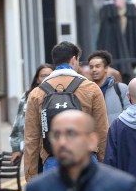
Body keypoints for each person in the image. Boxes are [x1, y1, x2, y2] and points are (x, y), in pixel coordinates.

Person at [23, 42, 109, 181]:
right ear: (74, 60)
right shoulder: (91, 89)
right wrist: (104, 165)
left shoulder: (36, 93)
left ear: (54, 61)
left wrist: (31, 177)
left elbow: (31, 139)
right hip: (86, 159)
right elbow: (102, 131)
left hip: (52, 161)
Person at [9, 65, 54, 166]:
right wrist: (16, 149)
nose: (47, 78)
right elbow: (18, 125)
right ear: (37, 79)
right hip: (34, 150)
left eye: (50, 75)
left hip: (53, 150)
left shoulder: (61, 96)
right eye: (43, 75)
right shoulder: (27, 97)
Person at [87, 50, 129, 123]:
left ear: (106, 68)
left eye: (97, 66)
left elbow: (130, 112)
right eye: (91, 67)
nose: (94, 70)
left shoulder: (121, 89)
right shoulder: (87, 91)